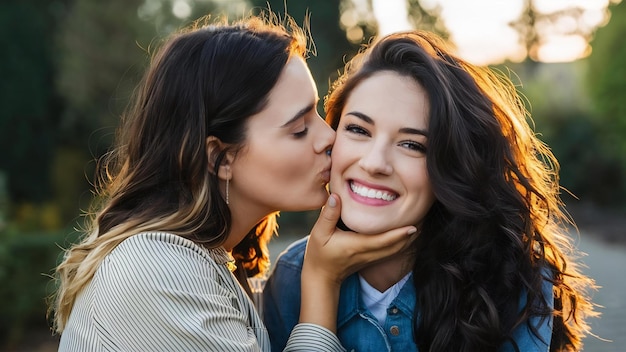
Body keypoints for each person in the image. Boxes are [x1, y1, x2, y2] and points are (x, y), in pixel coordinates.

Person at [50, 13, 417, 352]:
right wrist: (321, 280)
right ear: (220, 158)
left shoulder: (207, 261)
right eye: (300, 128)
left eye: (319, 114)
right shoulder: (155, 270)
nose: (330, 138)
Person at [263, 30, 598, 352]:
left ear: (451, 166)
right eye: (358, 130)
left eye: (412, 144)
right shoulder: (292, 277)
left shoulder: (511, 279)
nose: (374, 163)